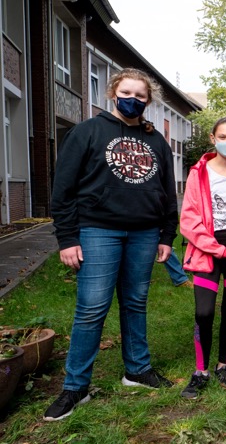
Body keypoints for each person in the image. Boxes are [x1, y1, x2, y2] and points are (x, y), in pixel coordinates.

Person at [46, 68, 178, 421]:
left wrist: (167, 235)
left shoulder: (157, 143)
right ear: (112, 92)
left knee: (135, 302)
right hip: (97, 231)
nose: (133, 100)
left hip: (145, 233)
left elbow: (168, 192)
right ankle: (75, 387)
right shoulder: (87, 132)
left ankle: (137, 369)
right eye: (127, 92)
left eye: (140, 96)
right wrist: (68, 238)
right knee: (91, 309)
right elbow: (63, 190)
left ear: (148, 101)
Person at [178, 118, 226, 399]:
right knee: (204, 312)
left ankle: (224, 364)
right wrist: (219, 250)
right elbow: (188, 220)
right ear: (212, 138)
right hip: (207, 251)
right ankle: (200, 371)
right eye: (222, 136)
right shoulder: (198, 173)